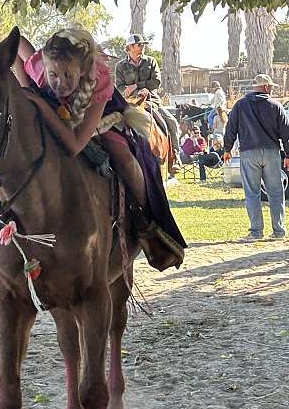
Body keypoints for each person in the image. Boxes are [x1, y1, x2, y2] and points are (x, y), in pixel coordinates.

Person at [12, 28, 186, 270]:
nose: (60, 83)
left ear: (82, 70)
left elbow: (74, 144)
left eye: (67, 75)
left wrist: (39, 102)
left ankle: (148, 223)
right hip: (54, 106)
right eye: (54, 75)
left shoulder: (99, 79)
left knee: (122, 156)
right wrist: (26, 87)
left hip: (101, 114)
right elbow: (17, 41)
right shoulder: (42, 70)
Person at [223, 73, 289, 240]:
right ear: (266, 87)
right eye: (271, 87)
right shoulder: (276, 105)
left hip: (248, 152)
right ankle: (279, 231)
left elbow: (231, 128)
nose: (272, 90)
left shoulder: (240, 105)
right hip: (271, 152)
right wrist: (288, 154)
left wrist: (227, 149)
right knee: (275, 192)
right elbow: (286, 133)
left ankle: (256, 232)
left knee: (252, 193)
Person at [115, 34, 181, 168]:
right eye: (140, 45)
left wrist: (139, 87)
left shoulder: (151, 61)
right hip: (130, 104)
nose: (142, 47)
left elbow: (156, 82)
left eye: (143, 44)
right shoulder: (120, 66)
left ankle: (175, 156)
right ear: (130, 47)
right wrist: (134, 91)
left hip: (151, 101)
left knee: (172, 122)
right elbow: (120, 87)